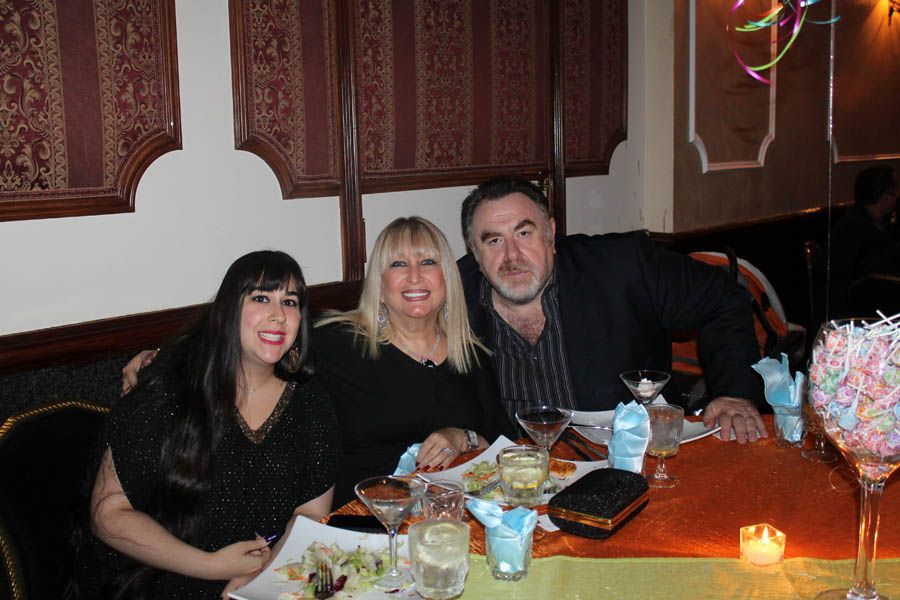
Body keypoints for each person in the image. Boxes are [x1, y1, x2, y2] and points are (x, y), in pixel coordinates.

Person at [87, 251, 339, 599]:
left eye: (290, 302)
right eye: (261, 298)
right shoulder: (167, 393)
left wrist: (263, 574)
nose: (278, 316)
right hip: (164, 581)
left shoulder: (310, 401)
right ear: (228, 310)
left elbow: (310, 514)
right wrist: (210, 566)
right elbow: (109, 515)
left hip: (272, 580)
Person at [457, 176, 768, 443]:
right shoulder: (454, 299)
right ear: (475, 253)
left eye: (524, 233)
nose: (512, 255)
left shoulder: (621, 268)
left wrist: (734, 394)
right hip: (516, 483)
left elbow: (722, 296)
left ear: (551, 235)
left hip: (629, 460)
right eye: (494, 240)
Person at [314, 216, 516, 506]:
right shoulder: (335, 344)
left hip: (450, 518)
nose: (414, 276)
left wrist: (461, 438)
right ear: (380, 286)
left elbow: (504, 448)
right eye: (398, 264)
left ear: (447, 278)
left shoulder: (471, 354)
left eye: (428, 262)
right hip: (365, 522)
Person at [830, 166, 900, 317]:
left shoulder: (875, 222)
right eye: (895, 191)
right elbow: (875, 279)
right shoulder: (854, 229)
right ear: (884, 196)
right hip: (861, 311)